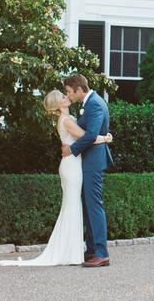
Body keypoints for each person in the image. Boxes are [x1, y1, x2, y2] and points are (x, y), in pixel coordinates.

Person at [0, 89, 112, 267]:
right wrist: (106, 138)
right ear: (60, 104)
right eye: (64, 96)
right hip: (72, 166)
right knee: (73, 206)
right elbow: (88, 138)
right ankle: (70, 252)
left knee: (72, 205)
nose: (67, 97)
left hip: (71, 164)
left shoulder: (67, 119)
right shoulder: (66, 121)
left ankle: (73, 251)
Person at [62, 73, 113, 268]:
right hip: (87, 160)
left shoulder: (95, 104)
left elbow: (92, 135)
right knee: (88, 204)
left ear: (78, 88)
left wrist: (71, 150)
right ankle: (92, 250)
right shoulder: (88, 103)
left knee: (94, 205)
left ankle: (101, 252)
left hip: (94, 161)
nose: (69, 95)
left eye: (69, 91)